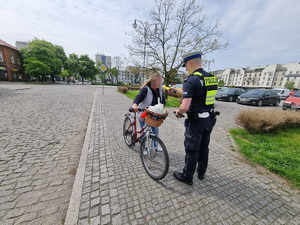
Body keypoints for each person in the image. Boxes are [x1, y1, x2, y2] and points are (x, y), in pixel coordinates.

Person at [173, 51, 218, 185]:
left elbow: (185, 107)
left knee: (192, 149)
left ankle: (187, 177)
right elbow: (203, 96)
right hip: (209, 119)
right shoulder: (211, 78)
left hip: (196, 122)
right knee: (204, 147)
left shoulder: (191, 80)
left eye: (186, 65)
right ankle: (201, 172)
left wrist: (179, 112)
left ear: (191, 62)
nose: (186, 68)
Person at [132, 73, 166, 152]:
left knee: (155, 131)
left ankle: (154, 146)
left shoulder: (160, 90)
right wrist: (135, 105)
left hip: (154, 115)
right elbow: (138, 98)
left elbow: (163, 101)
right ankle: (143, 147)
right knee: (144, 132)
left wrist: (161, 107)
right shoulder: (146, 89)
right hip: (143, 113)